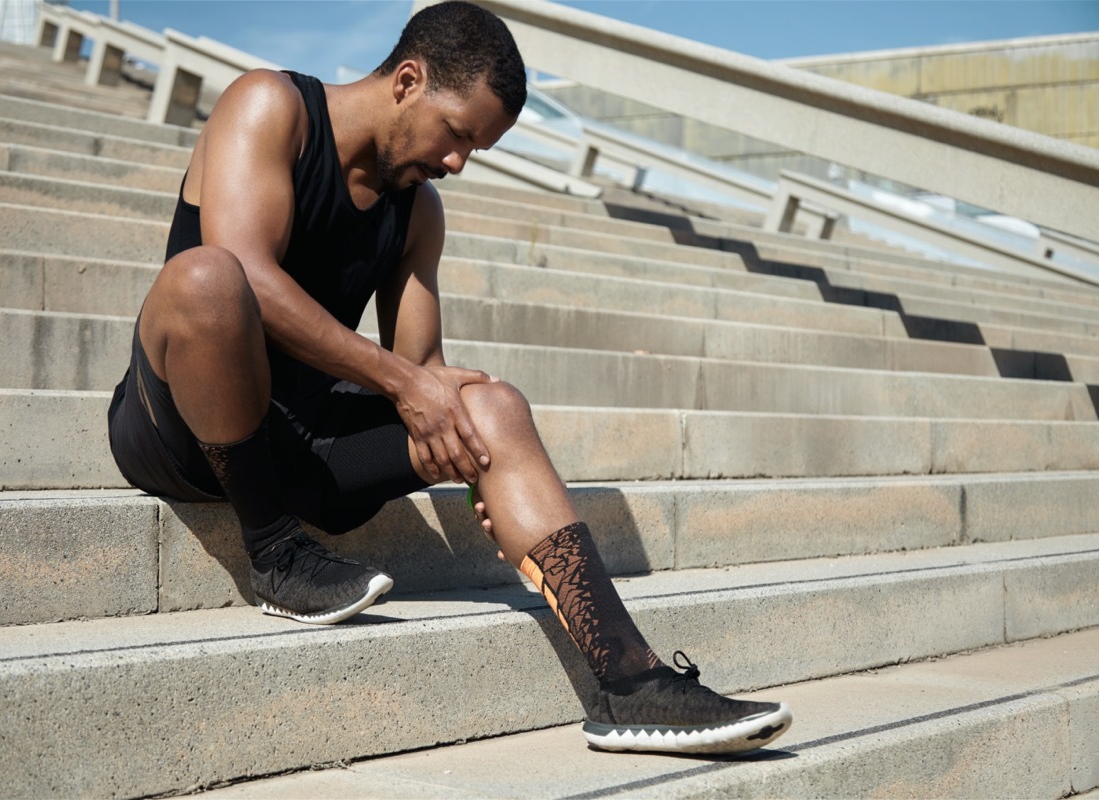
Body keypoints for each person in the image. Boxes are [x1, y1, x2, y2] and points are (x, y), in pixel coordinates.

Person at [106, 0, 791, 754]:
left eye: (478, 149)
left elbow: (424, 378)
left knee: (489, 406)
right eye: (458, 133)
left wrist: (474, 466)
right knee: (208, 279)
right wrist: (403, 383)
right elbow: (253, 280)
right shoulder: (271, 107)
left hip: (304, 444)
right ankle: (274, 554)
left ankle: (630, 679)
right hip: (178, 426)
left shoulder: (417, 212)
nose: (459, 162)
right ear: (408, 79)